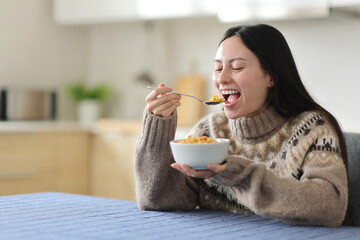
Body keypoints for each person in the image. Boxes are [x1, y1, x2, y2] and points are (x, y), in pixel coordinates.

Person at [134, 24, 352, 227]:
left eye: (237, 67)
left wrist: (237, 174)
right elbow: (157, 200)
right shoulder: (209, 131)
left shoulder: (313, 129)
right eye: (218, 69)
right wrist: (157, 128)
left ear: (271, 77)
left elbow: (330, 207)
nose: (222, 79)